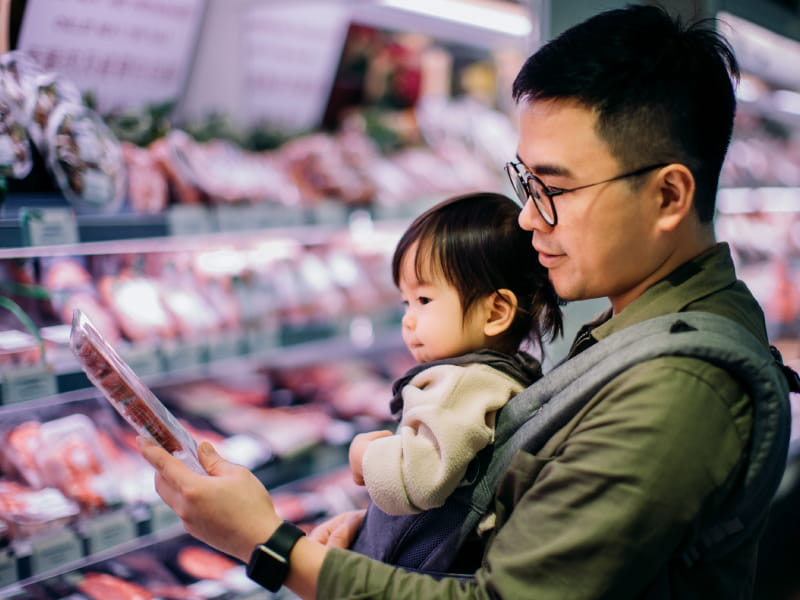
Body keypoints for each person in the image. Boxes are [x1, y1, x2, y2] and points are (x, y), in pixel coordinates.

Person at [139, 4, 794, 599]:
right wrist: (384, 540)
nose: (530, 219)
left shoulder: (677, 389)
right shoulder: (638, 324)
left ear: (669, 197)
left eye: (553, 190)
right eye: (523, 182)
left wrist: (273, 545)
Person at [346, 192, 562, 568]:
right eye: (405, 302)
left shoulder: (462, 384)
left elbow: (417, 480)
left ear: (496, 312)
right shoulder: (498, 374)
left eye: (424, 300)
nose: (408, 319)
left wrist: (365, 456)